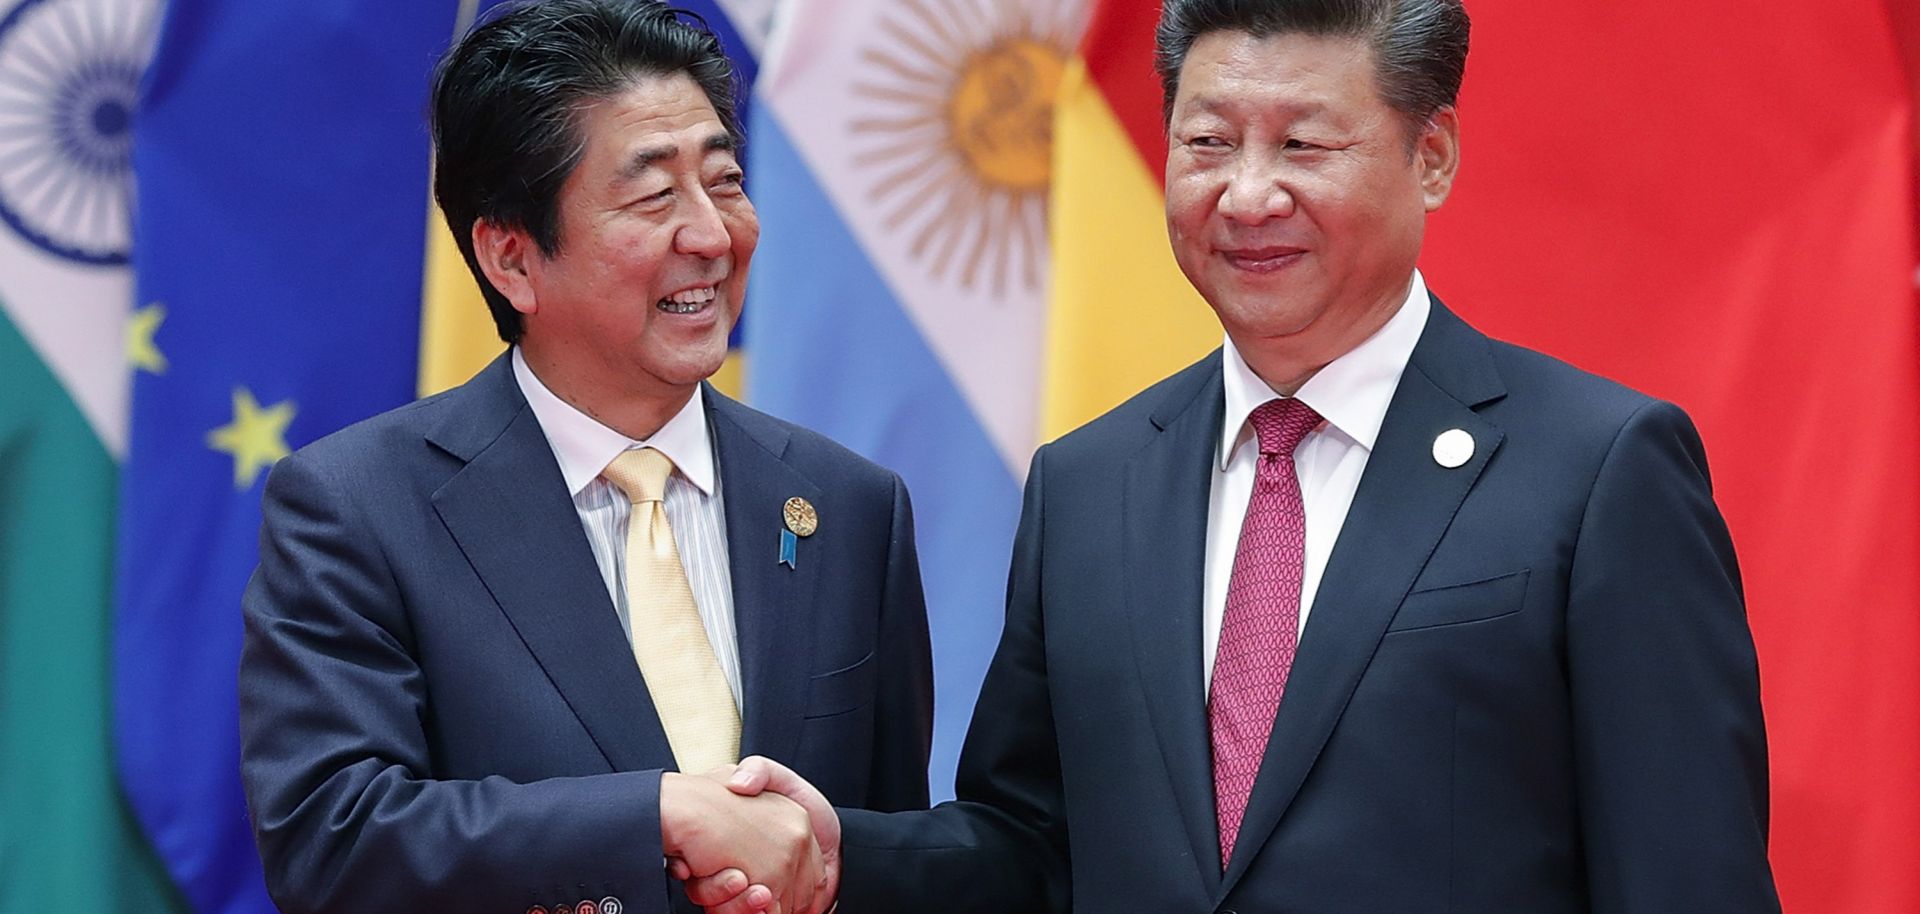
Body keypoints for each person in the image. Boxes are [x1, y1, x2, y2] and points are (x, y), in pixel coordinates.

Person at [697, 0, 1782, 910]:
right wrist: (830, 850)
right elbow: (1033, 849)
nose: (1249, 194)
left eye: (1304, 145)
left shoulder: (1596, 469)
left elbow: (1685, 875)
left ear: (1432, 156)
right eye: (1208, 143)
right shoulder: (1089, 483)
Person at [237, 3, 932, 913]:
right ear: (512, 257)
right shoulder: (357, 507)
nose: (712, 237)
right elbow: (333, 837)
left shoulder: (847, 506)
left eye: (723, 182)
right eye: (653, 197)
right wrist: (655, 817)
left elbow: (881, 845)